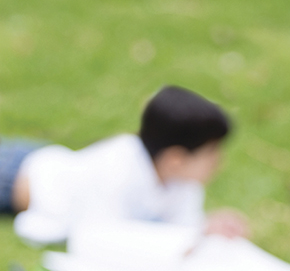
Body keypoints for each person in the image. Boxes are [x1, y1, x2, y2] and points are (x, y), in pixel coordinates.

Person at [2, 85, 248, 245]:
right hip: (15, 175)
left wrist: (206, 227)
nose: (219, 162)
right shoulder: (118, 169)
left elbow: (177, 227)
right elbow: (103, 237)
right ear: (176, 159)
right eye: (211, 154)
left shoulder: (182, 182)